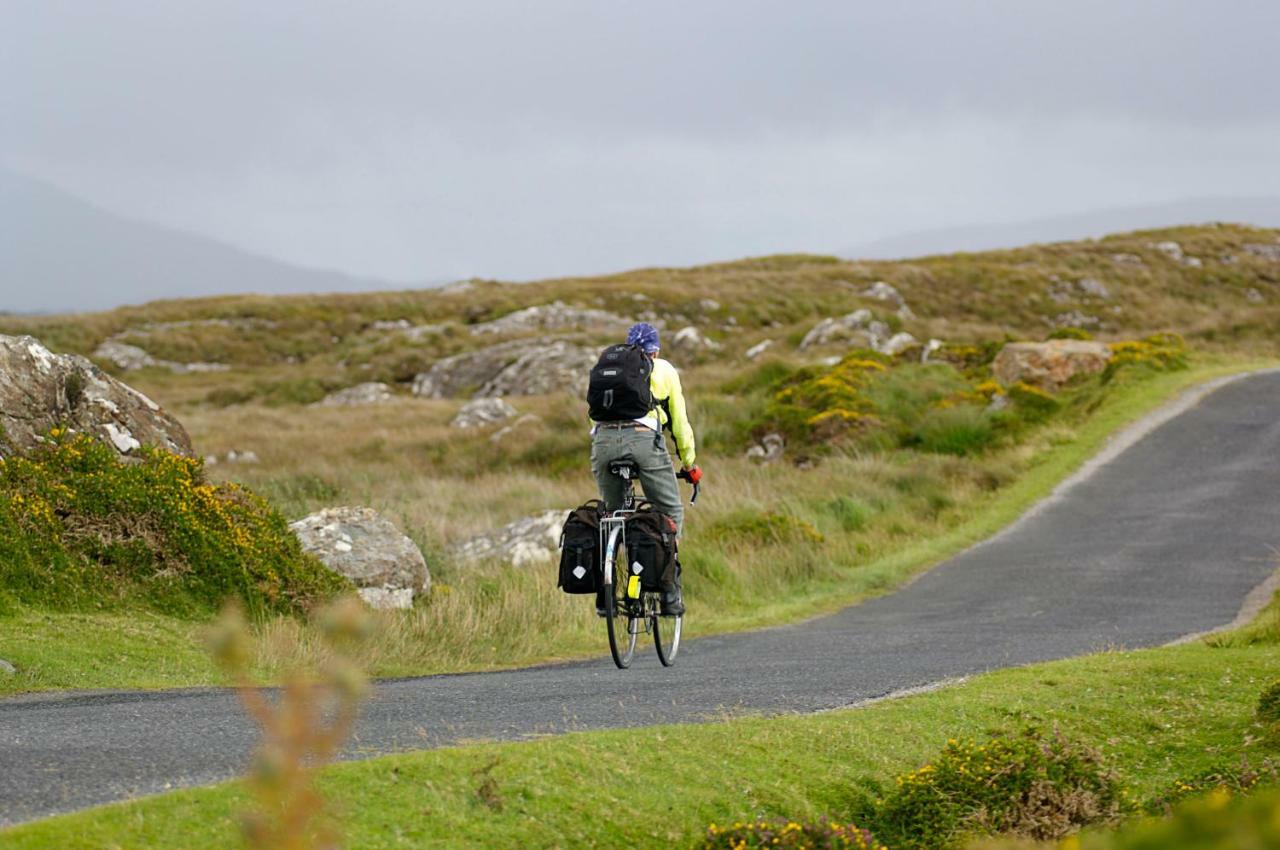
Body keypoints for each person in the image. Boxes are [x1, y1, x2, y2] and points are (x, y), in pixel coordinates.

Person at [590, 322, 701, 616]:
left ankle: (605, 595)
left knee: (611, 515)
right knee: (670, 513)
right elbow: (679, 423)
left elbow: (595, 416)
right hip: (643, 443)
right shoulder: (663, 369)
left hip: (603, 444)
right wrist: (689, 464)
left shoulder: (610, 369)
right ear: (656, 350)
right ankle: (669, 593)